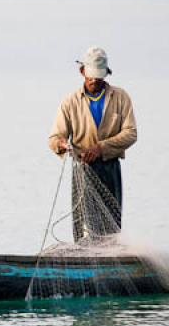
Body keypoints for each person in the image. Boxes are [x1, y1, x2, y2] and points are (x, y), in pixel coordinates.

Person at [48, 46, 137, 241]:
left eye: (99, 78)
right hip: (83, 169)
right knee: (86, 226)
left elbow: (131, 134)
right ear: (82, 72)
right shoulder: (70, 102)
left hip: (110, 168)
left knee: (112, 226)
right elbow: (54, 138)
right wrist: (62, 144)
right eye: (91, 77)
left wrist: (101, 148)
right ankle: (86, 259)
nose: (95, 82)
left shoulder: (121, 98)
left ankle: (110, 261)